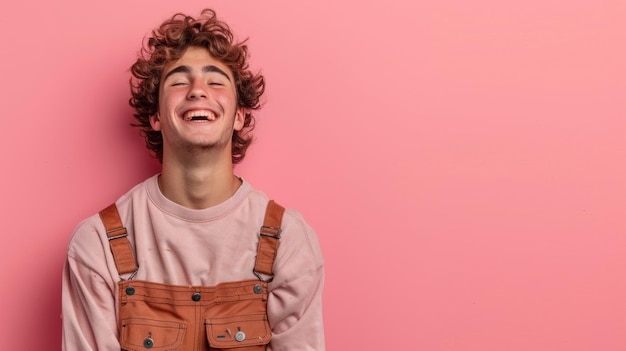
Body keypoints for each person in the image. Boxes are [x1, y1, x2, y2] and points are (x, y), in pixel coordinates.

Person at [61, 8, 325, 350]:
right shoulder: (97, 245)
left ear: (239, 117)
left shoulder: (289, 240)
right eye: (179, 80)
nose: (198, 90)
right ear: (155, 116)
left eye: (215, 81)